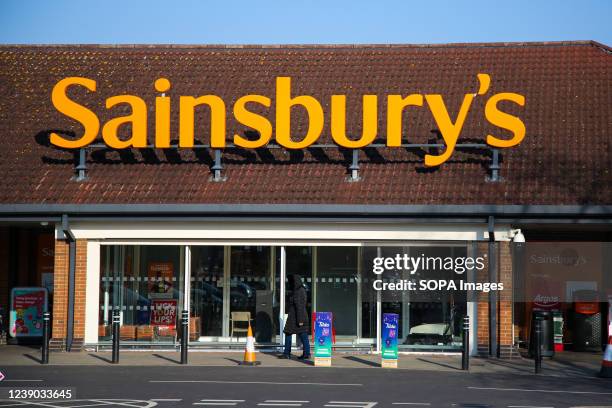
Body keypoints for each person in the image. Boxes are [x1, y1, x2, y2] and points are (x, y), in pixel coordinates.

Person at [279, 274, 310, 359]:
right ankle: (303, 353)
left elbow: (300, 306)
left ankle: (289, 353)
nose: (290, 283)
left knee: (302, 334)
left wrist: (300, 320)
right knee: (294, 333)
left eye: (291, 281)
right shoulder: (299, 290)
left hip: (297, 317)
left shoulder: (299, 291)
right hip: (295, 316)